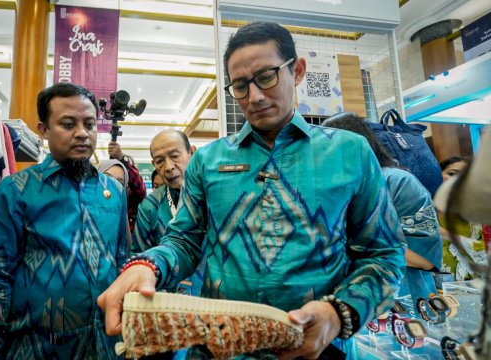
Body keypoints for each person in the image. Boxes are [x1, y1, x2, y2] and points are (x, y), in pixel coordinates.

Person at [98, 21, 405, 360]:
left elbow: (384, 256)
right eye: (241, 85)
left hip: (316, 349)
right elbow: (184, 241)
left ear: (297, 70)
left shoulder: (350, 153)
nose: (255, 96)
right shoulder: (210, 160)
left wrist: (339, 314)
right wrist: (148, 266)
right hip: (219, 348)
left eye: (267, 77)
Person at [0, 83, 128, 359]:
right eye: (68, 124)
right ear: (44, 130)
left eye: (89, 124)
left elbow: (122, 262)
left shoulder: (113, 193)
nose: (82, 133)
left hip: (106, 346)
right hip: (36, 348)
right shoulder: (16, 190)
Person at [323, 113, 442, 303]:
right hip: (351, 304)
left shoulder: (398, 182)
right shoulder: (335, 188)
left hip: (405, 301)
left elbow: (426, 260)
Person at [435, 128, 491, 359]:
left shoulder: (477, 207)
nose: (456, 179)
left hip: (474, 283)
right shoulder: (427, 208)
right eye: (451, 173)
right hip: (443, 283)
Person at [133, 130, 204, 296]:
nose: (169, 167)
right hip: (169, 299)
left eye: (175, 156)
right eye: (160, 161)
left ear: (191, 152)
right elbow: (141, 254)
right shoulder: (150, 207)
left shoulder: (214, 193)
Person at [108, 140, 147, 232]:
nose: (115, 185)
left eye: (121, 182)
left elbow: (140, 189)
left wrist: (121, 159)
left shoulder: (131, 202)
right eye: (110, 179)